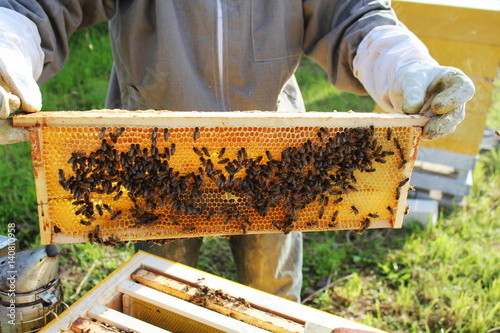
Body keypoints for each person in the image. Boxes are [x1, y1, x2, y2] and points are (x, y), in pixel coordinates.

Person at [0, 1, 474, 302]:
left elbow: (350, 13)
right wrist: (9, 40)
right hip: (158, 158)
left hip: (278, 156)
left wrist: (403, 64)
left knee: (272, 290)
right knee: (159, 292)